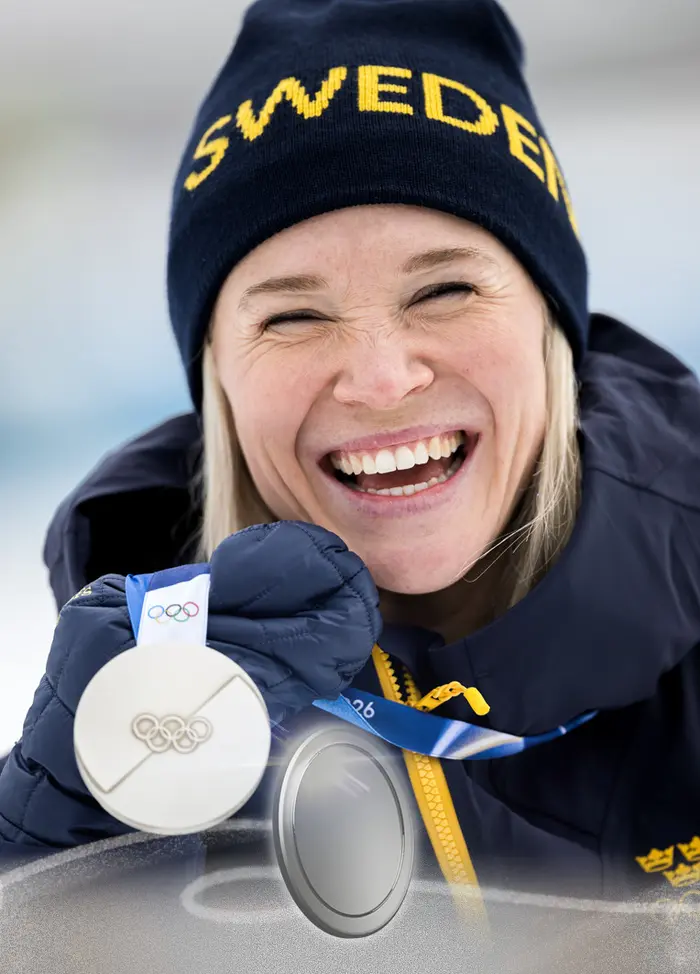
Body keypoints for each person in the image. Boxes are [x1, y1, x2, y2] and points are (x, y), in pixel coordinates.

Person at [1, 0, 699, 906]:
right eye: (293, 316)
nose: (378, 377)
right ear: (219, 381)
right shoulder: (133, 712)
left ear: (551, 327)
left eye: (444, 289)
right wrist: (55, 853)